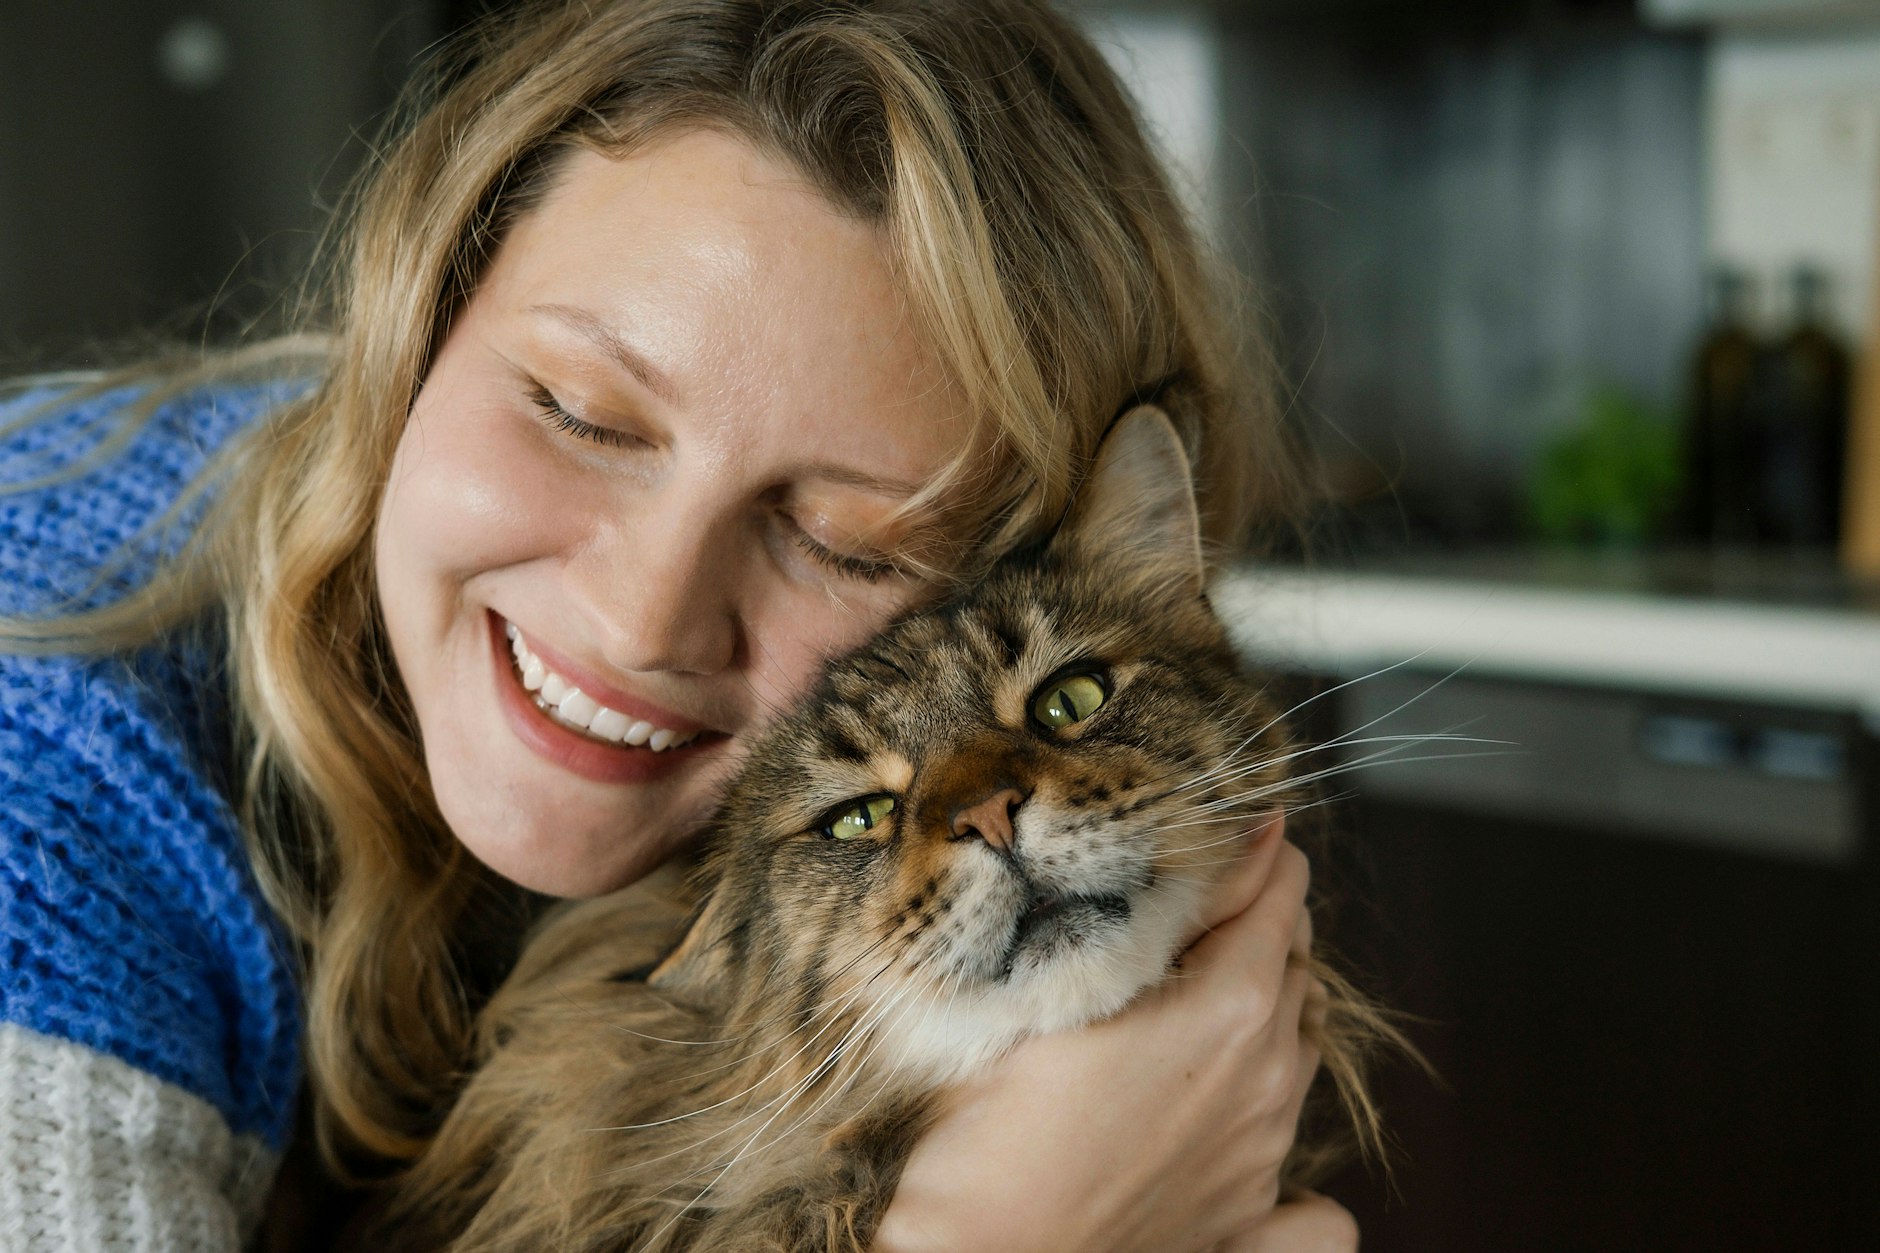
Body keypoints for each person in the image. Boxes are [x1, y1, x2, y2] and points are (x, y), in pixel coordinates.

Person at [0, 1, 1356, 1249]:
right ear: (411, 329)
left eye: (844, 540)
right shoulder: (41, 779)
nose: (640, 618)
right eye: (581, 413)